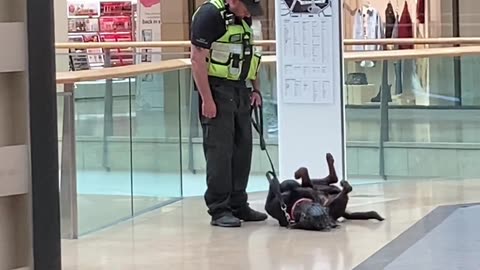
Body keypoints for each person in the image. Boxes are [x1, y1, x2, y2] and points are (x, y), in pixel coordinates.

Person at [190, 0, 268, 227]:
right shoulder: (209, 14)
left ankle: (238, 204)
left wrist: (256, 89)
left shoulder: (244, 17)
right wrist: (207, 99)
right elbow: (197, 59)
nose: (248, 14)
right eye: (245, 7)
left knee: (242, 151)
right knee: (219, 154)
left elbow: (250, 55)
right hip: (217, 90)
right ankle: (219, 209)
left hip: (241, 90)